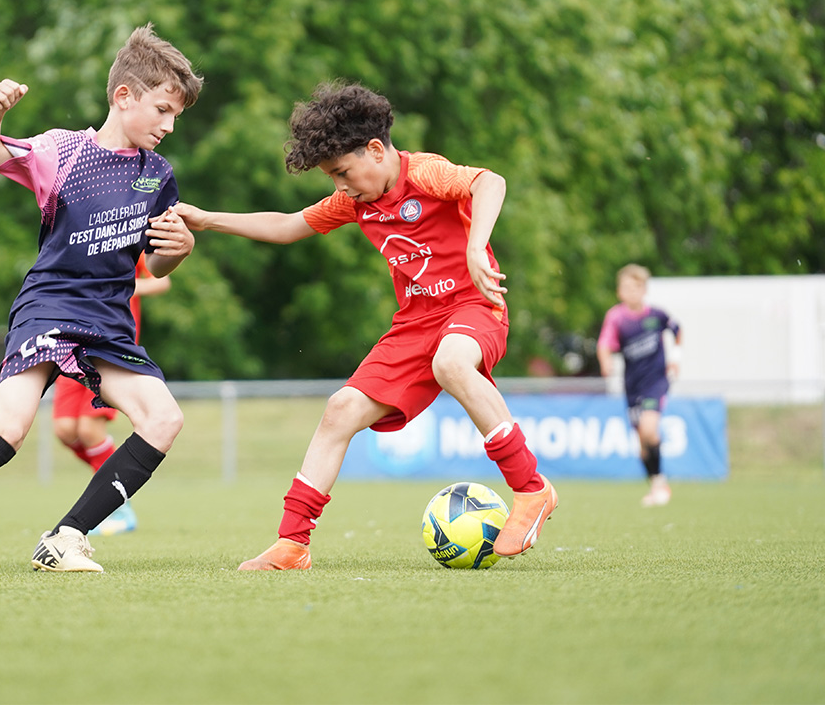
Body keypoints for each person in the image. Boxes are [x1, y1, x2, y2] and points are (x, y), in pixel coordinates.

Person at [176, 81, 558, 570]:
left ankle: (531, 490)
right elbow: (287, 226)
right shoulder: (356, 202)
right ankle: (291, 545)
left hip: (473, 306)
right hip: (415, 324)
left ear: (376, 150)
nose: (339, 185)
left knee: (452, 363)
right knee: (340, 410)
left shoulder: (426, 175)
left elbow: (491, 182)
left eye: (342, 172)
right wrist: (206, 220)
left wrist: (473, 243)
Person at [0, 24, 202, 576]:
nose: (169, 125)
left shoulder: (157, 175)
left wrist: (179, 250)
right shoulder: (63, 151)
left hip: (108, 324)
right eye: (162, 109)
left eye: (176, 116)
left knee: (164, 420)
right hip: (48, 309)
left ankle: (65, 538)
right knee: (11, 429)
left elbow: (158, 259)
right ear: (124, 96)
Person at [52, 253, 170, 535]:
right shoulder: (72, 236)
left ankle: (119, 505)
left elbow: (161, 282)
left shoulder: (123, 236)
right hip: (71, 341)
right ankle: (110, 484)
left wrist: (121, 285)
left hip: (110, 346)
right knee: (65, 430)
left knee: (90, 429)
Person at [596, 263, 682, 507]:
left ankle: (659, 484)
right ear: (619, 292)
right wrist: (605, 362)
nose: (631, 292)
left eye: (636, 287)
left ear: (644, 289)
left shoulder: (658, 315)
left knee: (648, 429)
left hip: (656, 382)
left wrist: (676, 358)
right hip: (632, 386)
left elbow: (677, 330)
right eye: (626, 287)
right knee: (643, 446)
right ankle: (657, 483)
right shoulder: (617, 317)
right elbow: (604, 344)